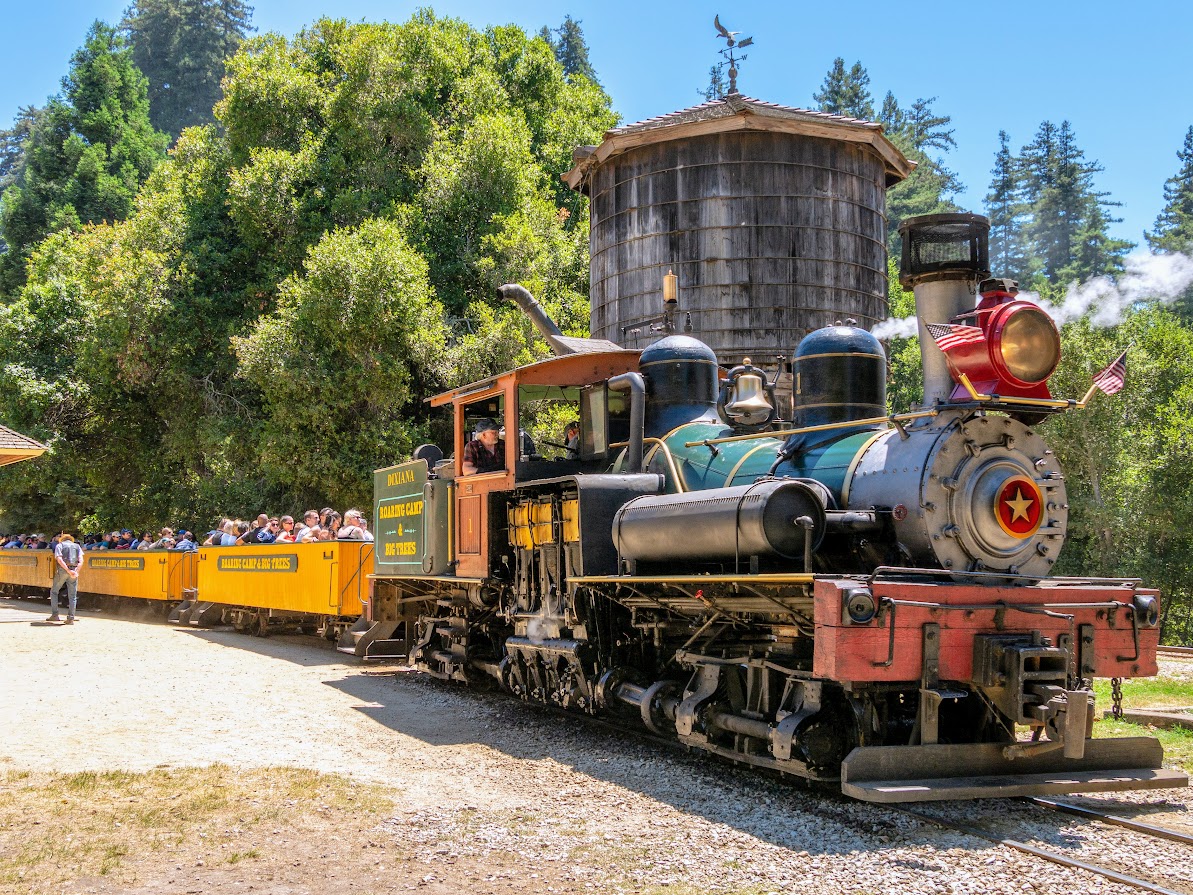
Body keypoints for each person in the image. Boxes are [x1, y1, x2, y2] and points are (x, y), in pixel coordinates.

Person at [48, 532, 84, 624]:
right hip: (74, 570)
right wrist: (75, 571)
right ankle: (71, 618)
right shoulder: (77, 546)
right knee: (73, 595)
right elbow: (81, 560)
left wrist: (68, 570)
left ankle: (55, 615)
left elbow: (59, 559)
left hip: (63, 570)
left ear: (62, 539)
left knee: (54, 591)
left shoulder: (59, 546)